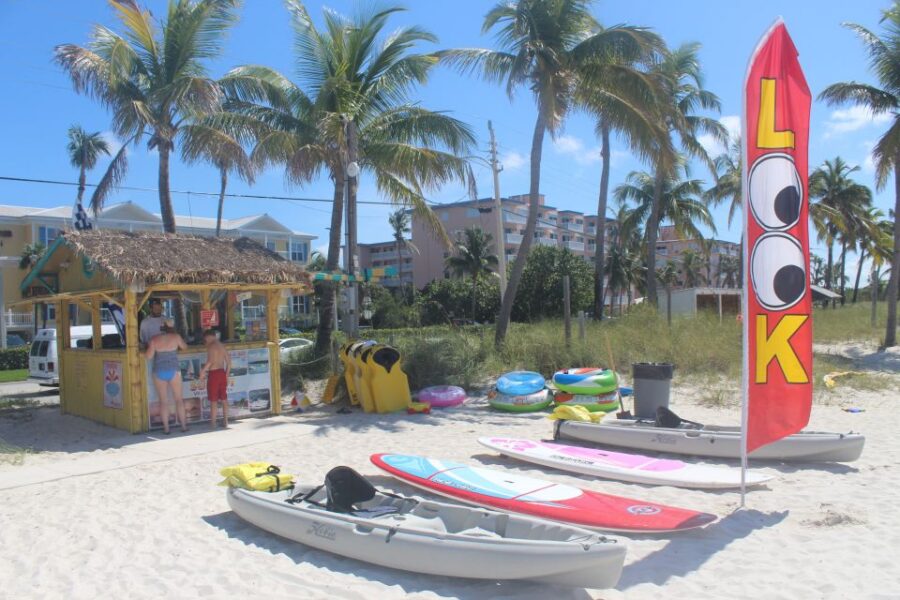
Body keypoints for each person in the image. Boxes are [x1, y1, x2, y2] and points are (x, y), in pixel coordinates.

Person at [145, 319, 189, 434]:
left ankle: (166, 429)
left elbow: (149, 356)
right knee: (179, 399)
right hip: (174, 371)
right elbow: (185, 347)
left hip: (159, 371)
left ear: (162, 327)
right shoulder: (176, 337)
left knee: (163, 401)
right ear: (172, 327)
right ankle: (184, 426)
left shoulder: (154, 339)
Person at [200, 329, 231, 428]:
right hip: (222, 372)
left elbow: (210, 361)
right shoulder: (222, 345)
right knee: (224, 398)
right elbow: (229, 363)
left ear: (209, 337)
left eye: (205, 339)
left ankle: (213, 423)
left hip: (214, 374)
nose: (206, 342)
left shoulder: (211, 346)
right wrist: (226, 375)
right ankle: (225, 422)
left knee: (213, 400)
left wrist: (202, 372)